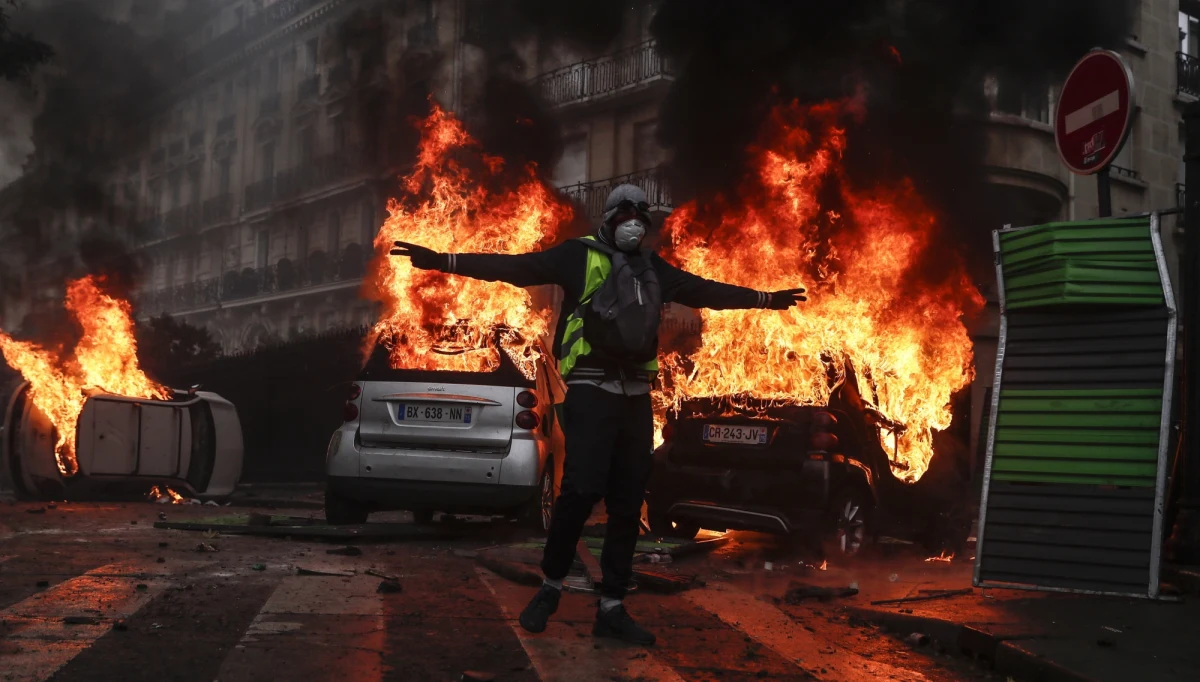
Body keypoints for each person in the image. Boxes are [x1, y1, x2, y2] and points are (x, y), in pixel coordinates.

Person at [390, 184, 805, 645]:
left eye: (640, 219)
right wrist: (443, 261)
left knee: (629, 500)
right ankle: (550, 587)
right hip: (590, 388)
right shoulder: (576, 256)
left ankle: (612, 607)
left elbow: (705, 290)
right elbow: (513, 268)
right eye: (626, 215)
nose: (633, 224)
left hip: (634, 395)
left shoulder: (652, 268)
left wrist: (764, 299)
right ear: (608, 219)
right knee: (582, 489)